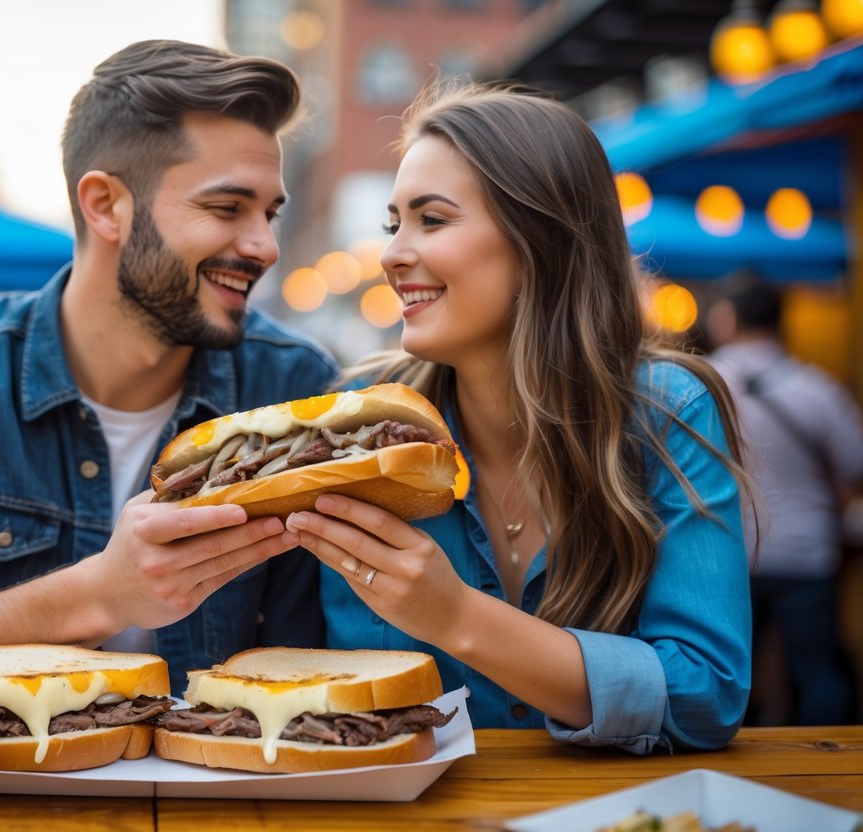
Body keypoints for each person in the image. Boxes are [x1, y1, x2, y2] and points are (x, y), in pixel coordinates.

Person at [0, 40, 337, 717]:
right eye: (226, 207)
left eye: (269, 213)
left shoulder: (296, 386)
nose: (264, 245)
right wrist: (98, 595)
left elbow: (307, 676)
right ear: (104, 205)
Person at [283, 82, 755, 753]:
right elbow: (358, 704)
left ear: (540, 239)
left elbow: (706, 695)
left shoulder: (666, 413)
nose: (390, 254)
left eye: (433, 219)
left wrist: (455, 616)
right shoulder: (358, 429)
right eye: (394, 224)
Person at [706, 271, 863, 726]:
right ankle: (828, 771)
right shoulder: (818, 388)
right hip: (806, 554)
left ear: (726, 319)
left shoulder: (704, 383)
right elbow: (855, 464)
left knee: (725, 675)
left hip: (729, 552)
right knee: (815, 674)